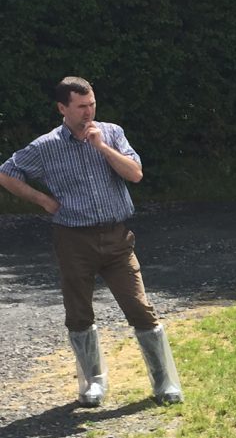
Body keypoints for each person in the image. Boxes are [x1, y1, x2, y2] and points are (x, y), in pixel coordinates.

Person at [0, 76, 183, 407]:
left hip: (117, 237)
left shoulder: (112, 133)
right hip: (73, 240)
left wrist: (101, 146)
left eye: (92, 104)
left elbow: (136, 174)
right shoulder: (45, 146)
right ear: (62, 108)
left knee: (140, 307)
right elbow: (6, 173)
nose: (89, 112)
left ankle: (165, 382)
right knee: (79, 311)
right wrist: (42, 200)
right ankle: (92, 384)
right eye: (81, 106)